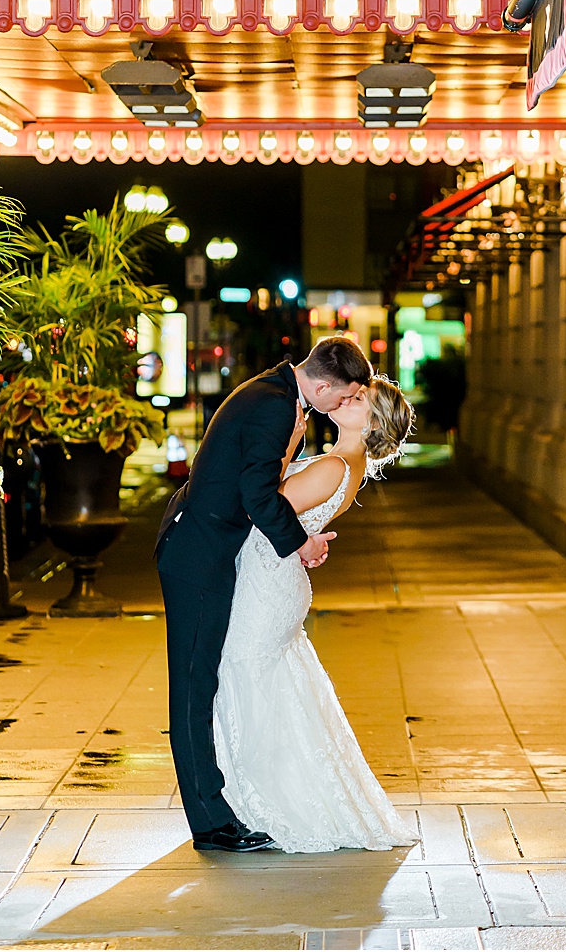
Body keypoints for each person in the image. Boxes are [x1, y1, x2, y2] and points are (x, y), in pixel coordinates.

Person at [153, 333, 370, 852]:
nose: (338, 407)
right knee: (192, 686)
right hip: (197, 551)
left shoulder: (275, 394)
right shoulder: (275, 405)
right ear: (319, 384)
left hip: (203, 544)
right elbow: (257, 494)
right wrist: (299, 543)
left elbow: (256, 475)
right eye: (339, 398)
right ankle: (210, 823)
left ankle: (214, 813)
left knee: (198, 681)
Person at [211, 378, 419, 852]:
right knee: (274, 685)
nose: (347, 398)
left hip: (267, 584)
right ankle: (255, 799)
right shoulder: (351, 467)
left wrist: (284, 447)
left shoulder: (334, 466)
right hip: (274, 581)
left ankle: (266, 803)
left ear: (372, 423)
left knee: (249, 679)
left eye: (359, 399)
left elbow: (264, 502)